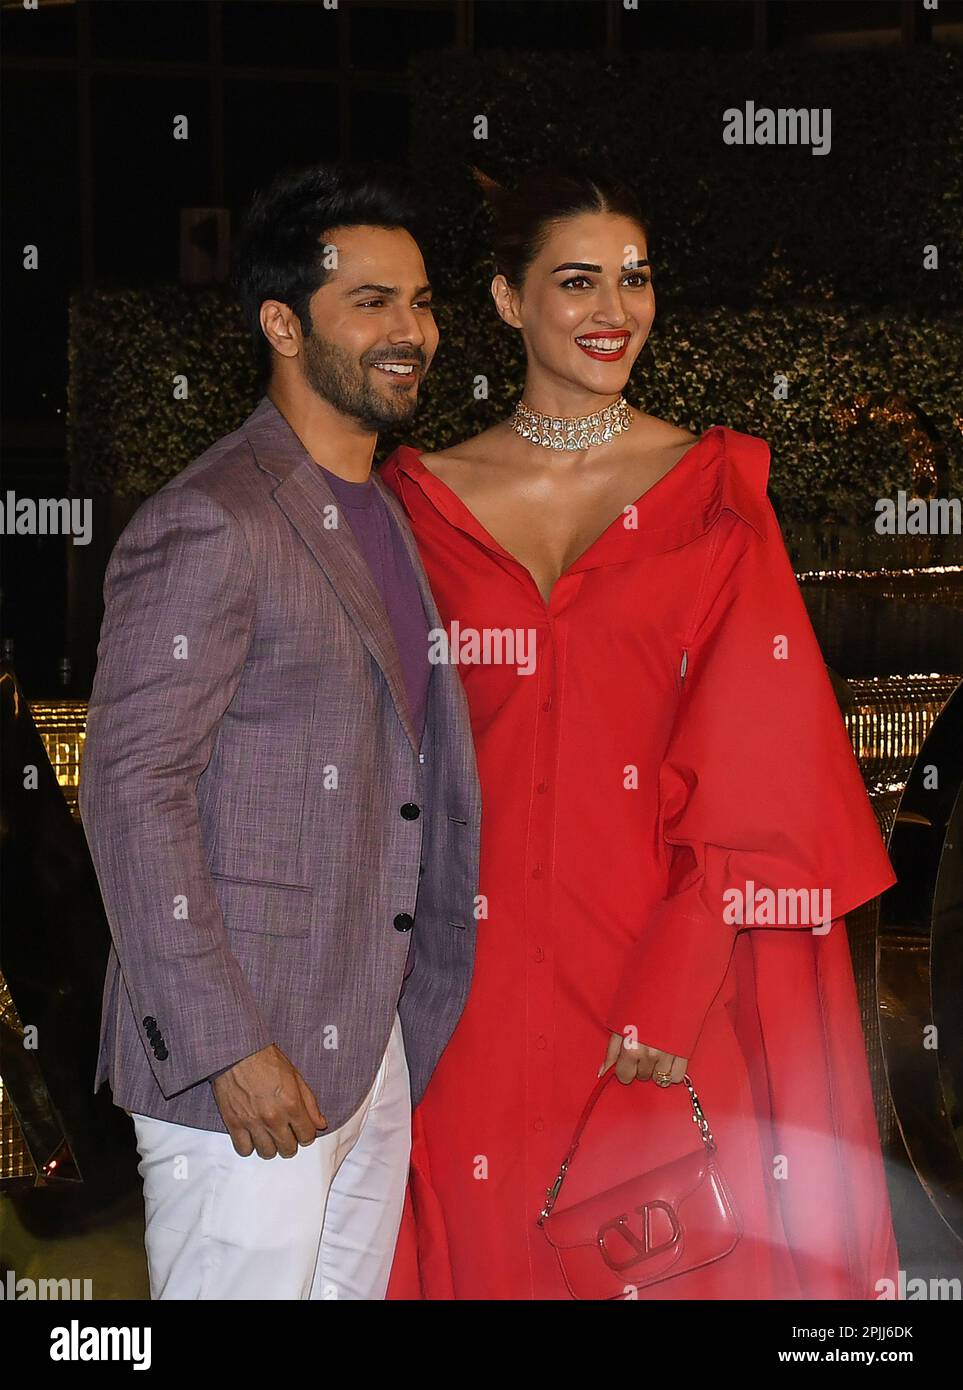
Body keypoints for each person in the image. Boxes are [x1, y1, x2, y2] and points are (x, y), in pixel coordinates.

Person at [379, 167, 900, 1300]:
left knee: (675, 1262)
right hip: (464, 986)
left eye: (636, 276)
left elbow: (767, 765)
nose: (616, 307)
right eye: (578, 280)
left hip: (662, 971)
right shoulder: (414, 502)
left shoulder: (713, 493)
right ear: (510, 302)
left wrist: (673, 987)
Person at [78, 163, 481, 1300]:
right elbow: (132, 790)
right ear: (282, 323)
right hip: (245, 1067)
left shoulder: (386, 513)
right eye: (373, 302)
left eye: (422, 301)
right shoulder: (213, 519)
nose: (413, 331)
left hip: (367, 1047)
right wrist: (226, 1046)